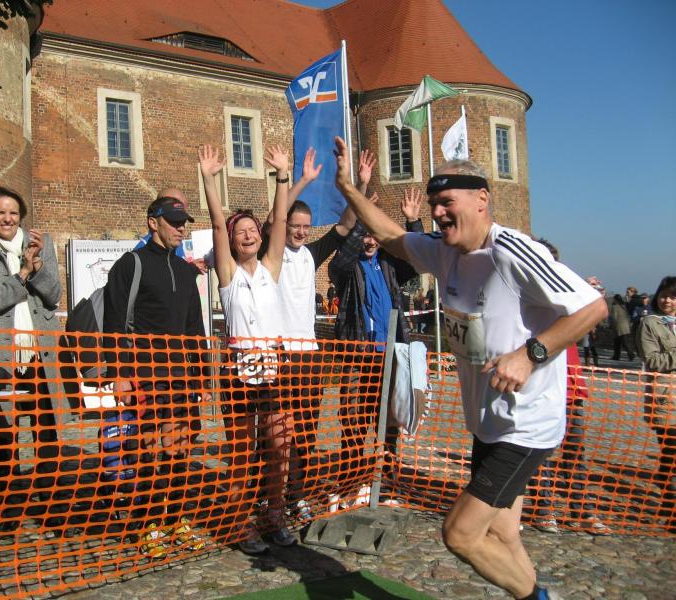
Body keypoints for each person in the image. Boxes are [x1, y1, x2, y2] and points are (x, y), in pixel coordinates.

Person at [332, 136, 607, 600]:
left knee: (460, 534)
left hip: (525, 425)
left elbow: (592, 307)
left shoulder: (512, 251)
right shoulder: (444, 251)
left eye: (447, 203)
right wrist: (348, 189)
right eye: (433, 205)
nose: (438, 213)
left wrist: (530, 354)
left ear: (482, 199)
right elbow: (394, 237)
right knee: (503, 533)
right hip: (487, 423)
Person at [100, 194, 209, 552]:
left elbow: (195, 329)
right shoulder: (131, 264)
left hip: (179, 379)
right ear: (153, 222)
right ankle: (147, 525)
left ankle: (176, 520)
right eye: (174, 222)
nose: (180, 228)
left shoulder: (186, 271)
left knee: (178, 454)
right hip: (143, 376)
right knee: (146, 455)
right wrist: (118, 373)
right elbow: (114, 323)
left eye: (183, 223)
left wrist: (203, 377)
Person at [200, 141, 294, 554]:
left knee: (279, 448)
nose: (247, 235)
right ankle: (240, 523)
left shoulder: (271, 268)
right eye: (240, 232)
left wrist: (282, 176)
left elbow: (282, 219)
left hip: (273, 368)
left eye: (252, 229)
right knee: (241, 453)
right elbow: (217, 225)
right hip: (237, 371)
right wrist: (209, 180)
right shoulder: (228, 276)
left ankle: (274, 515)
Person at [260, 147, 361, 515]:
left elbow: (346, 226)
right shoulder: (272, 252)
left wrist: (358, 185)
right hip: (279, 353)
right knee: (276, 433)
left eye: (306, 226)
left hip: (308, 355)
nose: (300, 231)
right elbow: (274, 218)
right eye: (295, 225)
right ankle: (267, 493)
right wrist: (298, 178)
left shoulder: (311, 254)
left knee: (305, 430)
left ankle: (296, 494)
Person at [0, 185, 64, 532]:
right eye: (0, 213)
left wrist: (37, 266)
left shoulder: (42, 245)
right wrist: (21, 273)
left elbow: (53, 296)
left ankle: (50, 505)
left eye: (13, 213)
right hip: (0, 356)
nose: (7, 219)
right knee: (5, 435)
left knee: (47, 432)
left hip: (39, 354)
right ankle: (7, 508)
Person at [328, 185, 423, 502]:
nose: (369, 241)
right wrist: (361, 219)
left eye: (373, 235)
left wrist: (413, 223)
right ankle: (350, 484)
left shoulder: (389, 265)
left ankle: (386, 484)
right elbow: (339, 263)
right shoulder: (347, 267)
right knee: (353, 423)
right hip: (359, 356)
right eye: (364, 235)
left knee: (390, 424)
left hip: (390, 356)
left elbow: (417, 261)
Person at [528, 238, 609, 536]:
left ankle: (581, 510)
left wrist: (591, 295)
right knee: (540, 453)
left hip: (570, 386)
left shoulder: (569, 294)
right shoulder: (526, 298)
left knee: (575, 453)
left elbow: (591, 321)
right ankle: (543, 508)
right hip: (539, 385)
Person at [635, 276, 676, 534]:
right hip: (666, 399)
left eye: (673, 296)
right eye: (664, 295)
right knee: (671, 454)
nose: (667, 300)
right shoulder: (650, 323)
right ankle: (671, 508)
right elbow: (652, 360)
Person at [132, 187, 207, 274]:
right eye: (174, 218)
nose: (181, 228)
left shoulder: (175, 243)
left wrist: (190, 269)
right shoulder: (136, 259)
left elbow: (173, 276)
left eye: (182, 220)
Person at [610, 294, 636, 361]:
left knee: (623, 342)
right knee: (619, 342)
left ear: (615, 299)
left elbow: (614, 318)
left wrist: (612, 325)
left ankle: (630, 354)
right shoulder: (624, 306)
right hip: (626, 326)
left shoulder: (615, 307)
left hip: (619, 327)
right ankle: (617, 356)